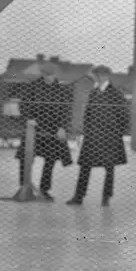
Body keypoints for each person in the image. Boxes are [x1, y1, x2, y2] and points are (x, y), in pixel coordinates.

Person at [67, 64, 129, 208]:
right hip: (92, 137)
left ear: (107, 76)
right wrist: (87, 131)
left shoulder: (116, 94)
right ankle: (78, 197)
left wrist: (115, 134)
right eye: (97, 75)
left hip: (109, 138)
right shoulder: (93, 92)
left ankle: (106, 197)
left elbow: (124, 117)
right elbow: (87, 115)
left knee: (109, 168)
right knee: (85, 166)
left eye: (101, 75)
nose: (99, 78)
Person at [12, 61, 73, 200]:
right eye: (46, 75)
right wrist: (28, 118)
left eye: (51, 75)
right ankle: (24, 186)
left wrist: (63, 127)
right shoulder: (33, 87)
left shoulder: (61, 90)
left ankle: (44, 189)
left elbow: (66, 111)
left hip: (52, 131)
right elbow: (23, 105)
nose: (49, 77)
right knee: (25, 158)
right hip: (34, 131)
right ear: (42, 74)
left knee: (50, 160)